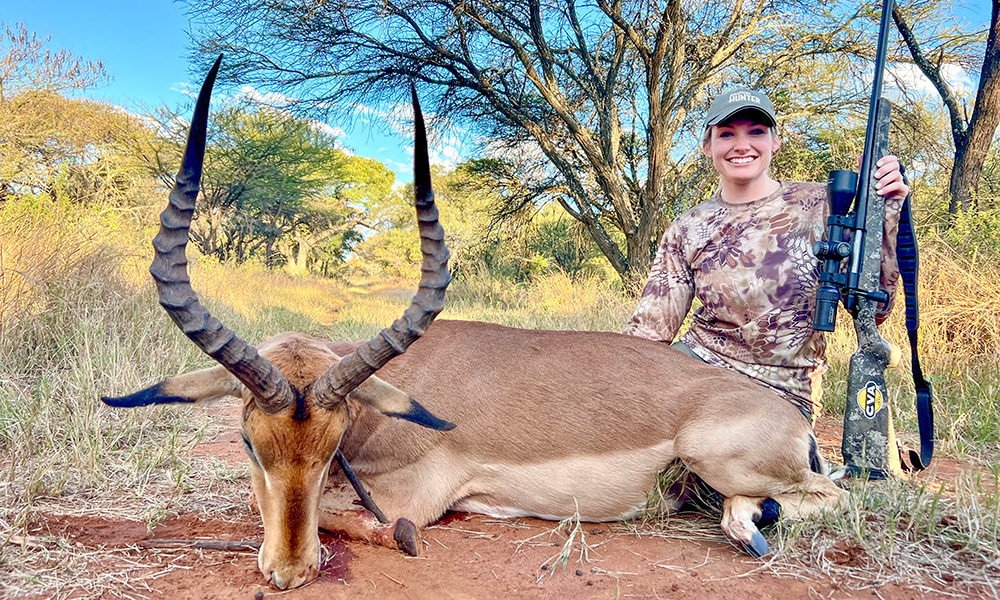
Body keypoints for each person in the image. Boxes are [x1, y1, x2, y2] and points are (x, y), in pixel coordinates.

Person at [624, 87, 909, 423]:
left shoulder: (828, 205)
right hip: (698, 366)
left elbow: (874, 311)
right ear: (708, 147)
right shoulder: (688, 226)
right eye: (726, 134)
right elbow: (649, 332)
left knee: (720, 458)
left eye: (756, 132)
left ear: (775, 141)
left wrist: (885, 215)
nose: (741, 145)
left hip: (781, 389)